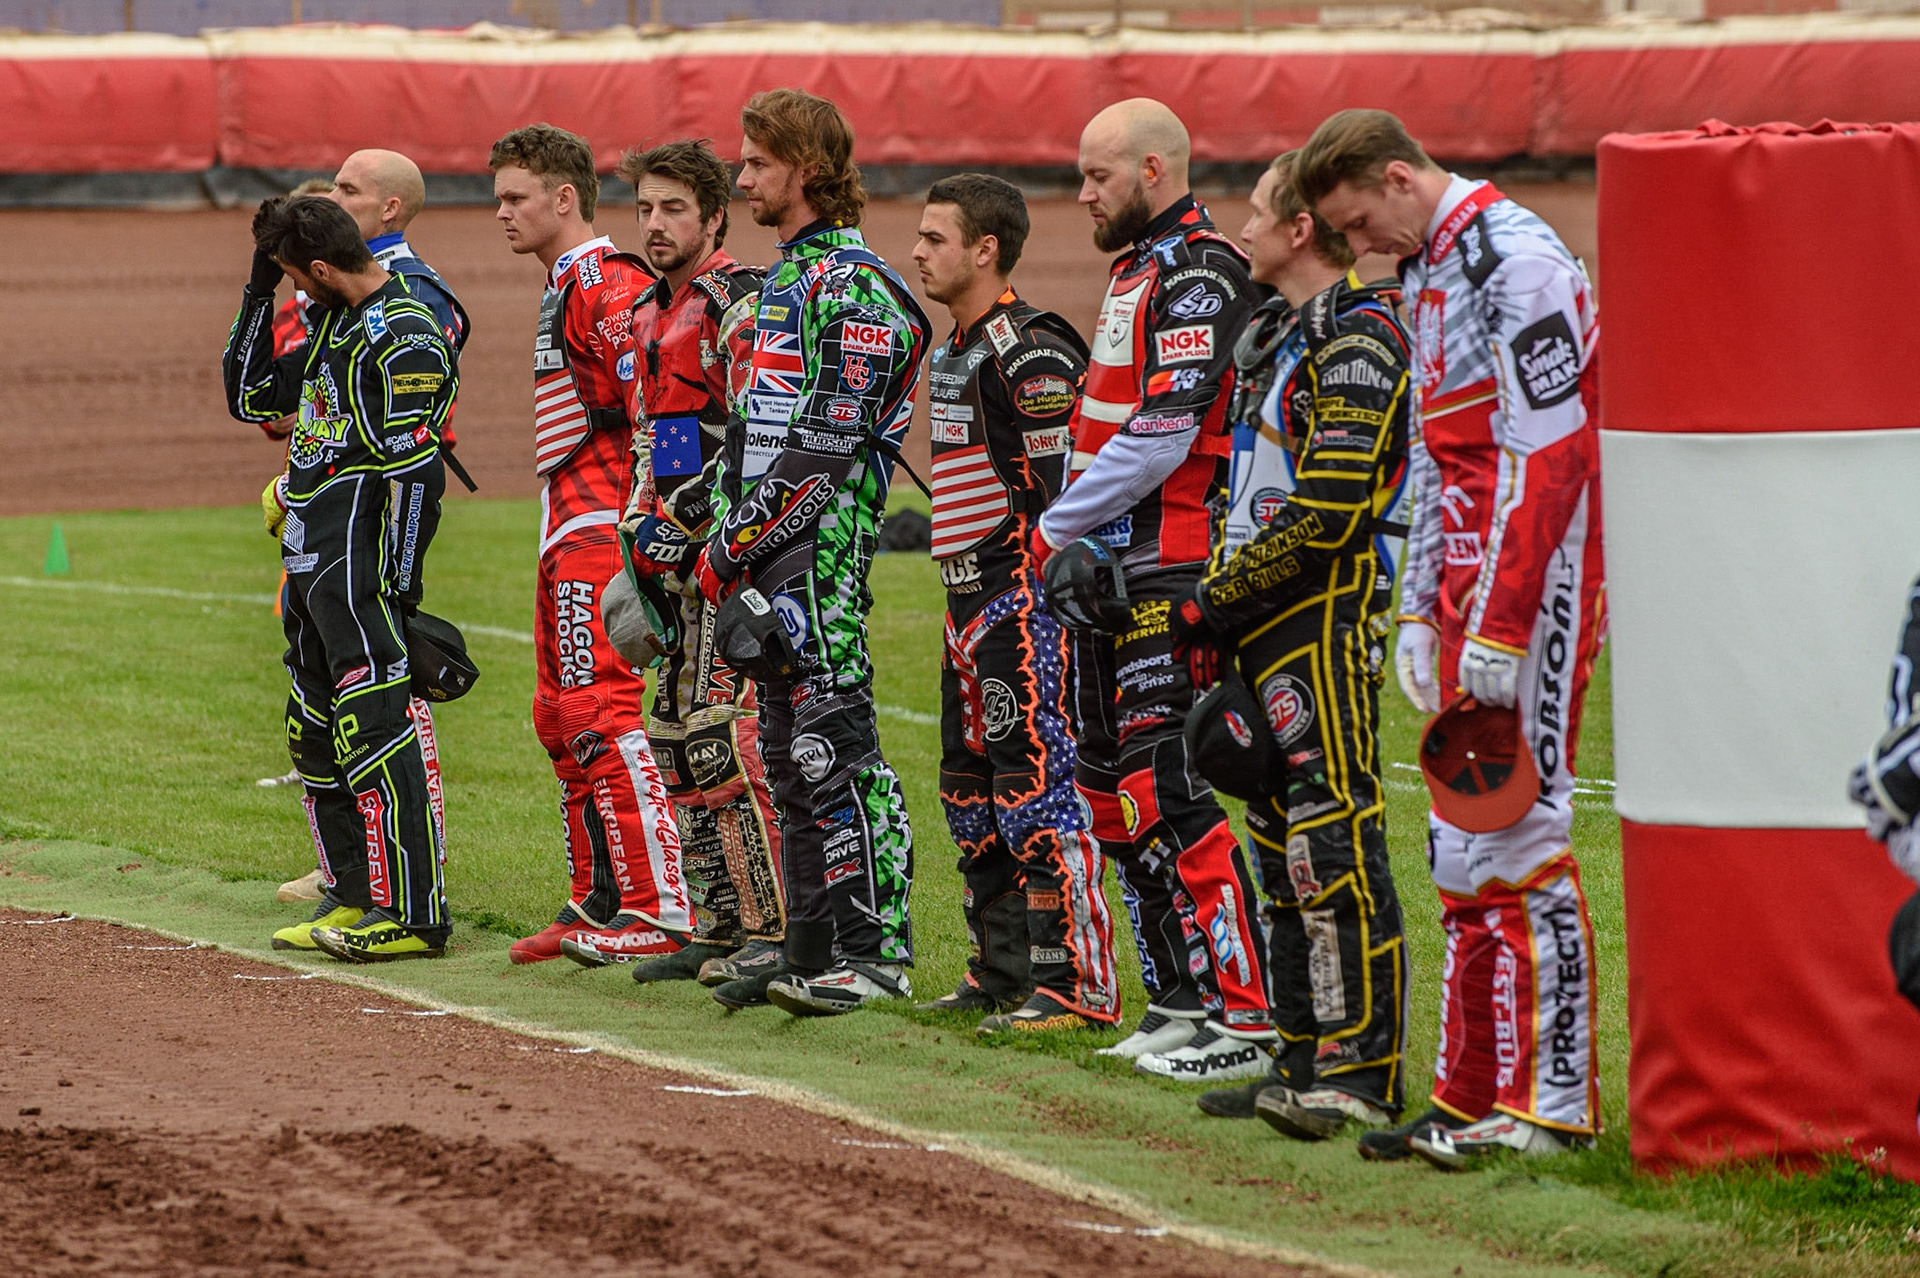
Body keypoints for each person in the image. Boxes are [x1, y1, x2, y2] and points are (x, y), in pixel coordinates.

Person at [1298, 108, 1606, 1166]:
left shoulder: (1516, 259)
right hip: (1468, 586)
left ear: (1397, 174)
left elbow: (1549, 456)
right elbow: (1434, 457)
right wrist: (1421, 608)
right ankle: (1468, 1096)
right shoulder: (1429, 270)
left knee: (1523, 834)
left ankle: (1555, 1109)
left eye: (1360, 224)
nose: (1358, 249)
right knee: (1460, 849)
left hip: (1541, 576)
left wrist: (1509, 621)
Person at [1171, 151, 1412, 1138]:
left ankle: (1360, 1072)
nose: (1243, 228)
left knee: (1331, 837)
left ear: (1302, 229)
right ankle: (1300, 1054)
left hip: (1320, 621)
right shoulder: (1277, 334)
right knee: (1278, 849)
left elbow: (1328, 515)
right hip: (1256, 623)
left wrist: (1209, 603)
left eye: (1259, 212)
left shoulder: (1359, 341)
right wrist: (1218, 611)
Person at [1034, 98, 1272, 1081]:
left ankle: (1246, 1017)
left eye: (1097, 176)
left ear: (1155, 170)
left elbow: (1168, 431)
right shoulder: (1136, 269)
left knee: (1167, 785)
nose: (1082, 194)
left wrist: (1056, 524)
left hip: (1168, 564)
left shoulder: (1201, 270)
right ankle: (1179, 998)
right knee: (1109, 794)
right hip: (1105, 570)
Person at [691, 88, 929, 1014]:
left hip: (819, 563)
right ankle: (807, 948)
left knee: (839, 754)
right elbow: (753, 435)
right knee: (788, 759)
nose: (742, 177)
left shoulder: (856, 285)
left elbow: (823, 453)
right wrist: (712, 535)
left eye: (756, 163)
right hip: (767, 560)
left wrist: (731, 548)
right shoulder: (788, 280)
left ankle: (878, 957)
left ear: (809, 172)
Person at [908, 173, 1120, 1034]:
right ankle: (999, 971)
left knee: (1038, 790)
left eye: (934, 237)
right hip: (963, 608)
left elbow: (1059, 497)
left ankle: (1075, 984)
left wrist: (1032, 602)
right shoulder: (953, 346)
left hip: (1018, 606)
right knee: (969, 793)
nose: (917, 251)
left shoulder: (1028, 349)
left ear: (985, 250)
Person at [223, 195, 457, 961]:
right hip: (310, 570)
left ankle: (418, 916)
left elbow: (420, 476)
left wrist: (399, 584)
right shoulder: (332, 322)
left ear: (321, 269)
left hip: (359, 575)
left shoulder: (405, 333)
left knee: (375, 735)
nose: (291, 288)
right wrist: (259, 284)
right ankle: (352, 894)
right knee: (313, 736)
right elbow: (249, 395)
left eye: (293, 275)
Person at [489, 123, 693, 965]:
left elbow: (660, 402)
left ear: (564, 199)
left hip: (600, 526)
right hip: (566, 524)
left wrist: (645, 530)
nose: (498, 213)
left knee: (601, 711)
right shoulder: (565, 282)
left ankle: (660, 907)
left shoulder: (605, 283)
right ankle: (598, 902)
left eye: (514, 198)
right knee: (559, 716)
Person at [589, 139, 784, 985]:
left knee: (719, 736)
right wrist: (637, 535)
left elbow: (755, 434)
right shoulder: (645, 317)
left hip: (729, 557)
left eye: (674, 209)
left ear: (714, 216)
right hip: (665, 560)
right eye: (645, 209)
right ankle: (713, 924)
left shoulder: (741, 303)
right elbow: (649, 442)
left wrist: (688, 521)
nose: (657, 224)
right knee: (668, 734)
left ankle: (768, 929)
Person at [269, 158, 467, 903]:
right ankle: (353, 872)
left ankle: (410, 883)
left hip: (370, 525)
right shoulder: (335, 297)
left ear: (389, 208)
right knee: (328, 706)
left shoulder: (413, 299)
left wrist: (399, 572)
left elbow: (412, 443)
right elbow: (274, 397)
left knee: (386, 707)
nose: (330, 198)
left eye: (347, 191)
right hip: (325, 513)